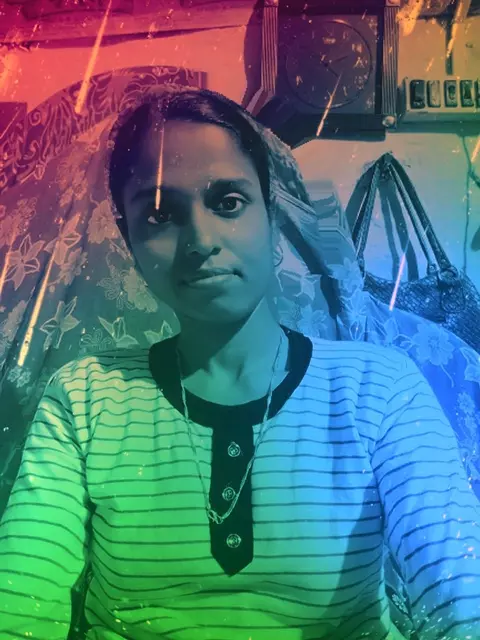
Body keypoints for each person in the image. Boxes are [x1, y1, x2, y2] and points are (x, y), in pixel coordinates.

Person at [0, 86, 479, 640]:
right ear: (130, 244)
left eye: (227, 202)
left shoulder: (378, 388)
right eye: (159, 214)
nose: (200, 240)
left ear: (271, 219)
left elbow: (459, 594)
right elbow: (22, 602)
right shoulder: (85, 397)